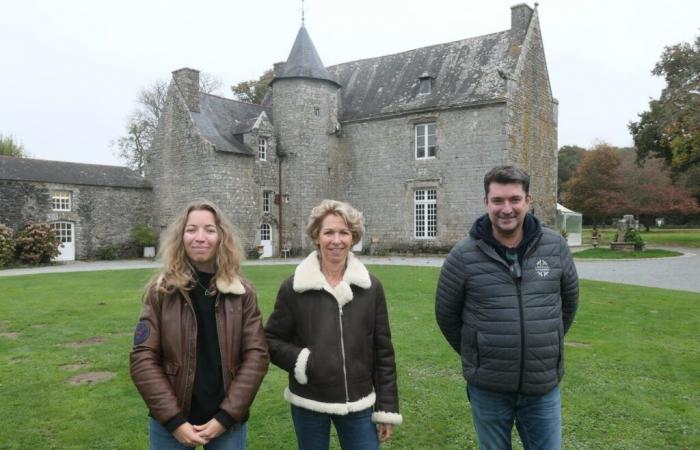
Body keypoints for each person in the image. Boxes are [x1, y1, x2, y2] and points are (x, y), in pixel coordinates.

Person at [435, 166, 579, 450]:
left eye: (514, 199)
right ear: (486, 203)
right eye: (498, 200)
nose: (507, 208)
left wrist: (545, 342)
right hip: (488, 387)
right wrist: (477, 350)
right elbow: (446, 315)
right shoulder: (463, 256)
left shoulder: (555, 246)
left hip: (542, 386)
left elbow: (568, 304)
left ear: (528, 200)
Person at [130, 200, 269, 449]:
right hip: (171, 421)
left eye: (210, 230)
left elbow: (256, 356)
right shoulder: (162, 291)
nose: (200, 237)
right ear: (181, 237)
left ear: (221, 237)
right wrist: (173, 420)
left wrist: (226, 417)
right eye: (191, 229)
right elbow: (143, 358)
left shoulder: (242, 293)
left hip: (226, 421)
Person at [265, 199, 402, 450]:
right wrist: (303, 361)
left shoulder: (371, 288)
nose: (336, 240)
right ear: (317, 236)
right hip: (309, 402)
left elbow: (383, 351)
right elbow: (270, 340)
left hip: (358, 403)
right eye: (329, 232)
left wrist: (386, 407)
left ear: (353, 237)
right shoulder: (294, 287)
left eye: (344, 233)